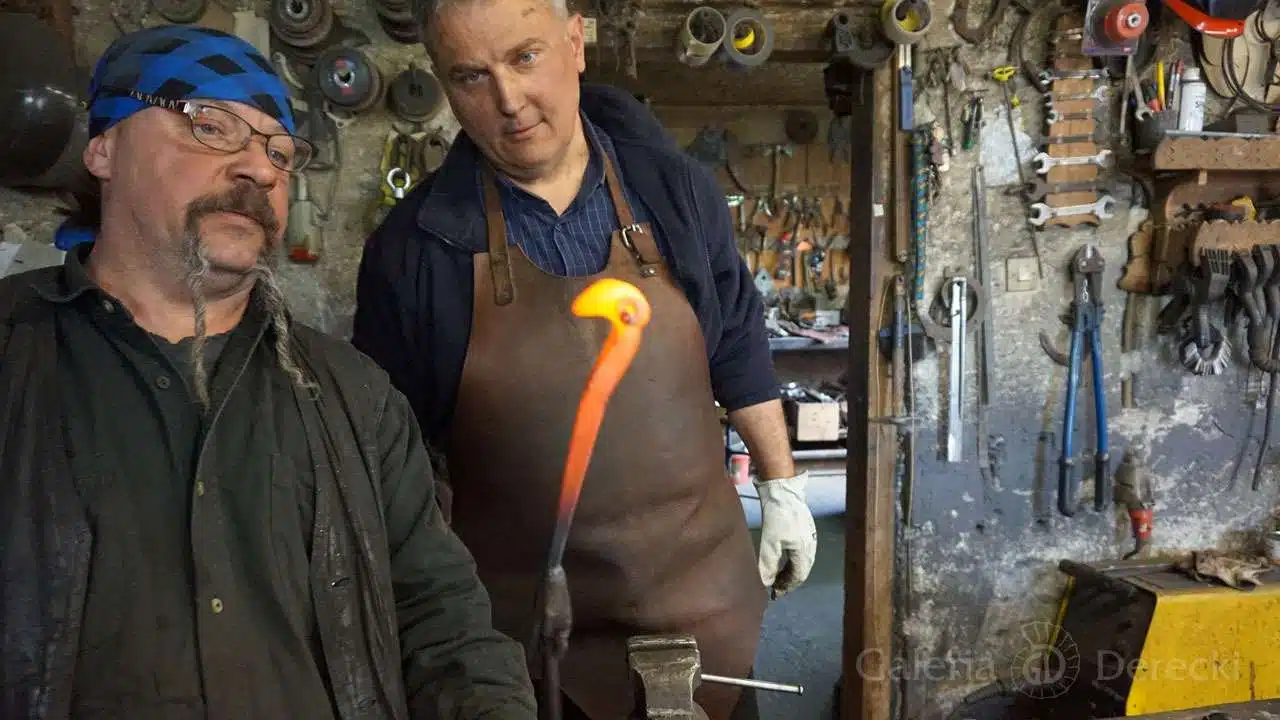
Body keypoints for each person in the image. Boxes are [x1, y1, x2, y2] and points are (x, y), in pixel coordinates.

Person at [0, 25, 537, 719]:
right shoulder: (15, 355)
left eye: (280, 151)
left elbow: (441, 621)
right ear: (103, 148)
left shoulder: (356, 397)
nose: (259, 169)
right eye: (211, 126)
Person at [352, 0, 821, 716]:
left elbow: (736, 340)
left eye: (524, 57)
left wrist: (780, 484)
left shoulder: (676, 192)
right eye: (471, 76)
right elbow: (396, 457)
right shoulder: (412, 251)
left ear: (575, 43)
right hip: (529, 635)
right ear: (443, 83)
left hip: (702, 606)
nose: (509, 100)